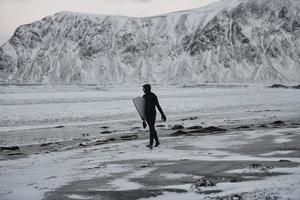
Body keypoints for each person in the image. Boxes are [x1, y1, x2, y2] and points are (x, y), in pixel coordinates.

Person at [142, 84, 166, 149]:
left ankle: (151, 144)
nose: (143, 90)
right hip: (147, 115)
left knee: (151, 128)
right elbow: (142, 108)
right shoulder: (144, 96)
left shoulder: (153, 96)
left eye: (144, 88)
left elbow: (158, 105)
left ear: (147, 89)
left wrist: (162, 114)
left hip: (152, 114)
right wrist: (143, 119)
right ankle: (157, 141)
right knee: (152, 128)